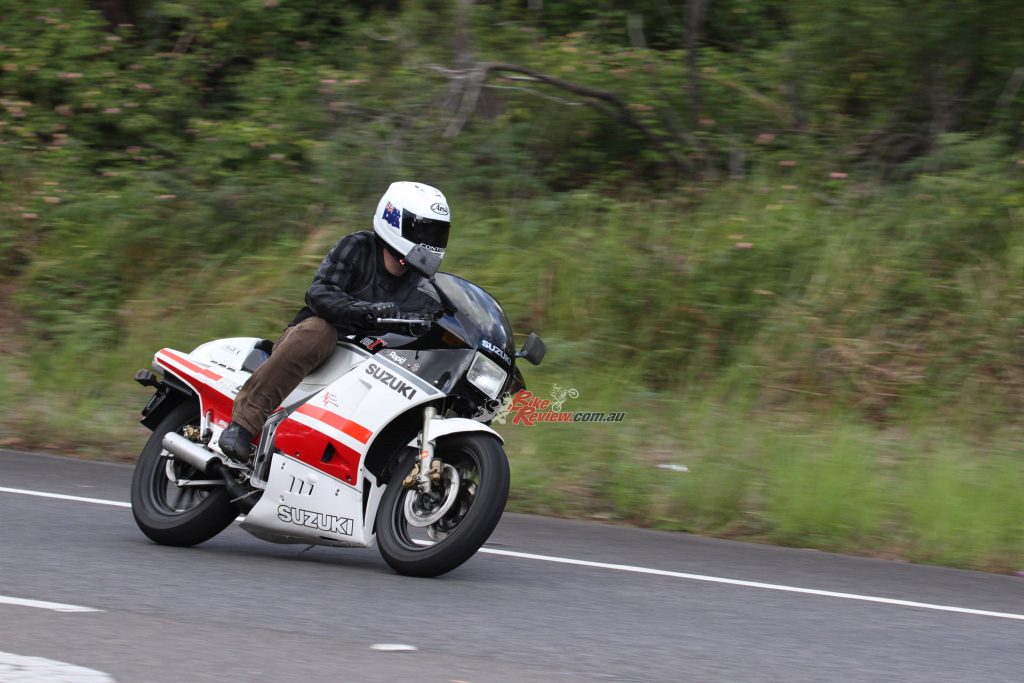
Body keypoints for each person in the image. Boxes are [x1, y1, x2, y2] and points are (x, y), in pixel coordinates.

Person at [218, 181, 451, 461]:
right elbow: (320, 292)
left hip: (370, 361)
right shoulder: (358, 247)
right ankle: (243, 425)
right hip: (311, 346)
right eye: (425, 232)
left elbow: (442, 320)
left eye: (438, 234)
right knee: (320, 330)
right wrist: (365, 310)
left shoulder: (423, 286)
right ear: (394, 220)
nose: (432, 242)